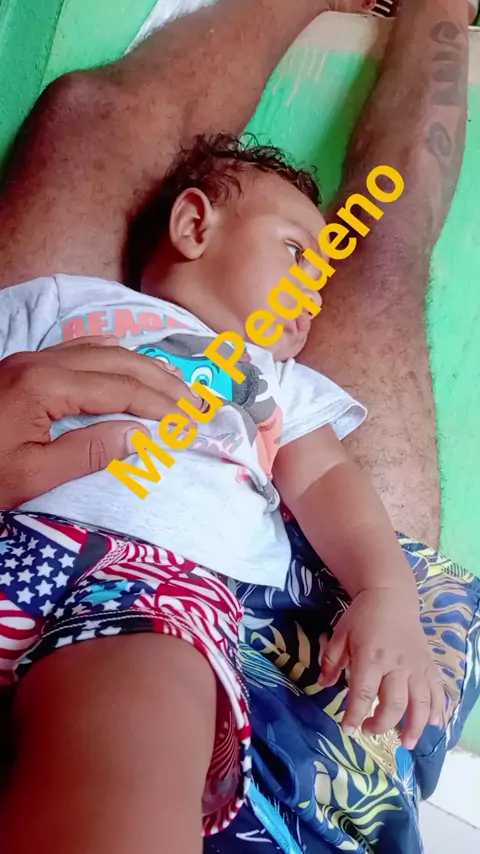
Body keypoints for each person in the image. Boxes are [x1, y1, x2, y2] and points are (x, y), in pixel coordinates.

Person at [0, 0, 475, 853]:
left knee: (133, 732)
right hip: (18, 531)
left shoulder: (278, 382)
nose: (313, 294)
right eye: (296, 253)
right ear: (193, 225)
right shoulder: (64, 302)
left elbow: (328, 479)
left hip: (157, 589)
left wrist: (386, 593)